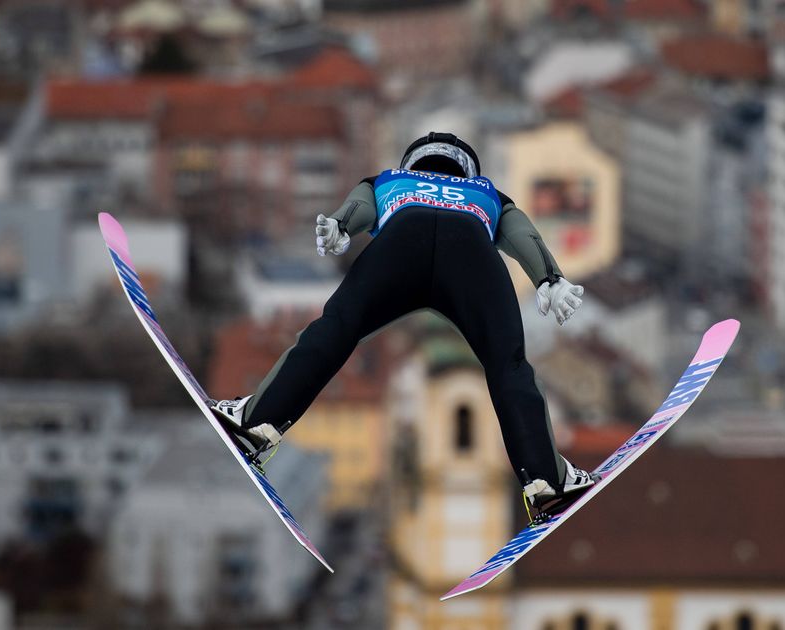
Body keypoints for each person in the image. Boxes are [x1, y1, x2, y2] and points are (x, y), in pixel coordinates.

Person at [210, 131, 596, 509]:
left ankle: (256, 425)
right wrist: (549, 277)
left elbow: (361, 205)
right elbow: (522, 233)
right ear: (466, 170)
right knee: (508, 364)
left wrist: (341, 225)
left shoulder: (390, 179)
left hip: (401, 243)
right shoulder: (487, 192)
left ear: (412, 162)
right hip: (470, 251)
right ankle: (546, 480)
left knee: (335, 328)